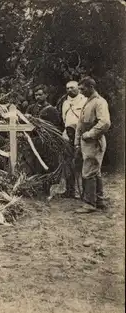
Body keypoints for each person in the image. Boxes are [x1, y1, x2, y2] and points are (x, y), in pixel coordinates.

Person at [74, 77, 111, 213]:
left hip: (94, 142)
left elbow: (105, 123)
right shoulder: (88, 102)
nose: (81, 92)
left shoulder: (100, 102)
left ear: (91, 87)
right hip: (86, 142)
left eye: (83, 89)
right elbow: (80, 123)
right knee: (95, 171)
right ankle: (99, 200)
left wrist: (89, 134)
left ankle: (90, 203)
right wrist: (77, 142)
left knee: (89, 172)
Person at [61, 81, 87, 198]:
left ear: (78, 88)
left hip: (81, 136)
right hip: (67, 135)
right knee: (67, 163)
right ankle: (70, 190)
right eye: (67, 88)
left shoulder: (84, 100)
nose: (69, 90)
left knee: (80, 163)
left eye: (72, 88)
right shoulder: (65, 103)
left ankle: (83, 191)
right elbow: (64, 119)